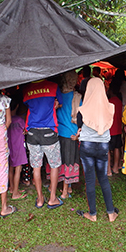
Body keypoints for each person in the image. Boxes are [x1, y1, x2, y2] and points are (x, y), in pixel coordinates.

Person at [75, 78, 119, 222]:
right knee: (103, 178)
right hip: (102, 147)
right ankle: (111, 213)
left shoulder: (83, 110)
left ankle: (92, 214)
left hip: (87, 146)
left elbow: (80, 126)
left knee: (90, 180)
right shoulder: (110, 107)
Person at [23, 79, 64, 209]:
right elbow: (60, 104)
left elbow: (28, 105)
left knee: (36, 167)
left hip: (32, 132)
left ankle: (40, 199)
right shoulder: (53, 86)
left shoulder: (27, 88)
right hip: (49, 131)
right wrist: (55, 105)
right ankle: (52, 198)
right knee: (54, 165)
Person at [53, 71, 81, 199]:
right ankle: (65, 191)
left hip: (59, 132)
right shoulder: (77, 97)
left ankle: (64, 186)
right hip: (72, 134)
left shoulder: (57, 95)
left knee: (61, 161)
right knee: (70, 162)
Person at [7, 98, 28, 200]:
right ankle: (15, 193)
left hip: (9, 146)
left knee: (10, 167)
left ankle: (11, 187)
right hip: (18, 147)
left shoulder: (6, 120)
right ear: (17, 107)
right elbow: (26, 130)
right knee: (18, 169)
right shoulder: (19, 120)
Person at [107, 85, 122, 175]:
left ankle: (108, 170)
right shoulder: (120, 101)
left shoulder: (109, 102)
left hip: (110, 129)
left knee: (108, 150)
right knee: (117, 148)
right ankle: (116, 167)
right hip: (118, 129)